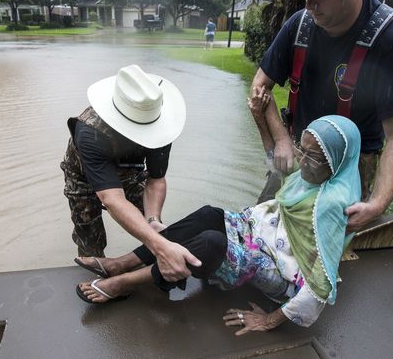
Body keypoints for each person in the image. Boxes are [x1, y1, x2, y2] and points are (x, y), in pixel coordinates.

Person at [76, 115, 361, 335]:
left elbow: (319, 288)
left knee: (213, 243)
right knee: (209, 214)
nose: (302, 159)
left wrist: (269, 321)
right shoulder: (311, 176)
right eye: (302, 148)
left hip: (282, 272)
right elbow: (278, 163)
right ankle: (122, 263)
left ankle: (124, 283)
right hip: (262, 235)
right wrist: (261, 113)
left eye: (313, 157)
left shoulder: (330, 205)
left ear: (337, 162)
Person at [248, 0, 393, 231]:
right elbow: (261, 85)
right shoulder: (299, 25)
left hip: (351, 166)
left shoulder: (391, 39)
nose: (309, 3)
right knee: (261, 227)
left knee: (325, 245)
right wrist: (282, 138)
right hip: (298, 149)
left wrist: (377, 204)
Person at [60, 64, 201, 283]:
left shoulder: (161, 124)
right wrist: (158, 244)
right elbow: (113, 199)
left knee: (158, 231)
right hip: (83, 177)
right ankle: (96, 283)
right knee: (90, 243)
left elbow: (156, 178)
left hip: (130, 173)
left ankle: (148, 276)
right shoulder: (90, 133)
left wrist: (153, 220)